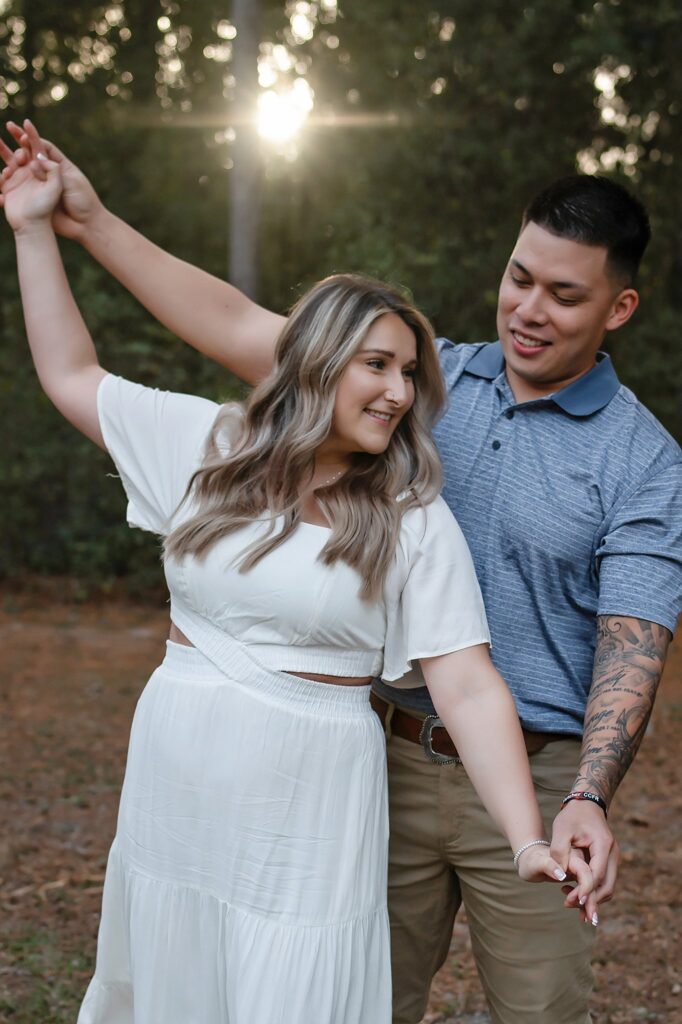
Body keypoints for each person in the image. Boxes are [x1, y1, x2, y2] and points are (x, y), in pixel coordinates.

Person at [3, 122, 680, 1023]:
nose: (527, 309)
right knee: (350, 994)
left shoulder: (639, 461)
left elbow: (629, 643)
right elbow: (235, 326)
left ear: (616, 309)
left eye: (563, 294)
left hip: (528, 771)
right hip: (381, 749)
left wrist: (582, 799)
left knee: (533, 1005)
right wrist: (84, 222)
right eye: (520, 277)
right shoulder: (438, 386)